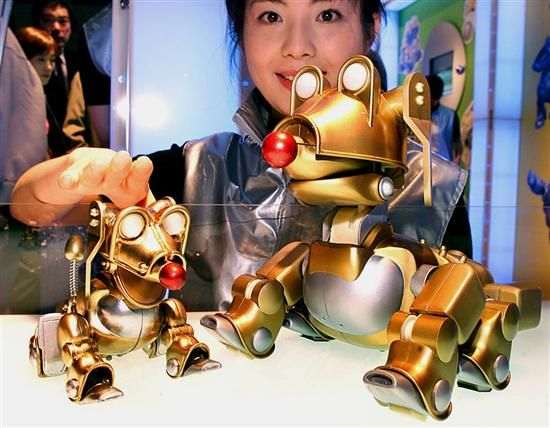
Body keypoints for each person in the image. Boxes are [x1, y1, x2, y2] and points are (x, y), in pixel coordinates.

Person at [11, 0, 467, 310]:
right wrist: (64, 178)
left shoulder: (434, 188)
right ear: (241, 32)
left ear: (371, 28)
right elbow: (32, 209)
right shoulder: (200, 168)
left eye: (327, 14)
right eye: (271, 15)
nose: (298, 46)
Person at [33, 0, 79, 156]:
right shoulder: (27, 63)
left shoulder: (80, 63)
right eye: (47, 20)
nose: (56, 27)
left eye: (63, 21)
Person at [426, 73, 462, 163]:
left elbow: (457, 144)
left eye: (433, 98)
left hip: (443, 167)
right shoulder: (413, 115)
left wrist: (456, 162)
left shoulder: (450, 116)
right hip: (418, 166)